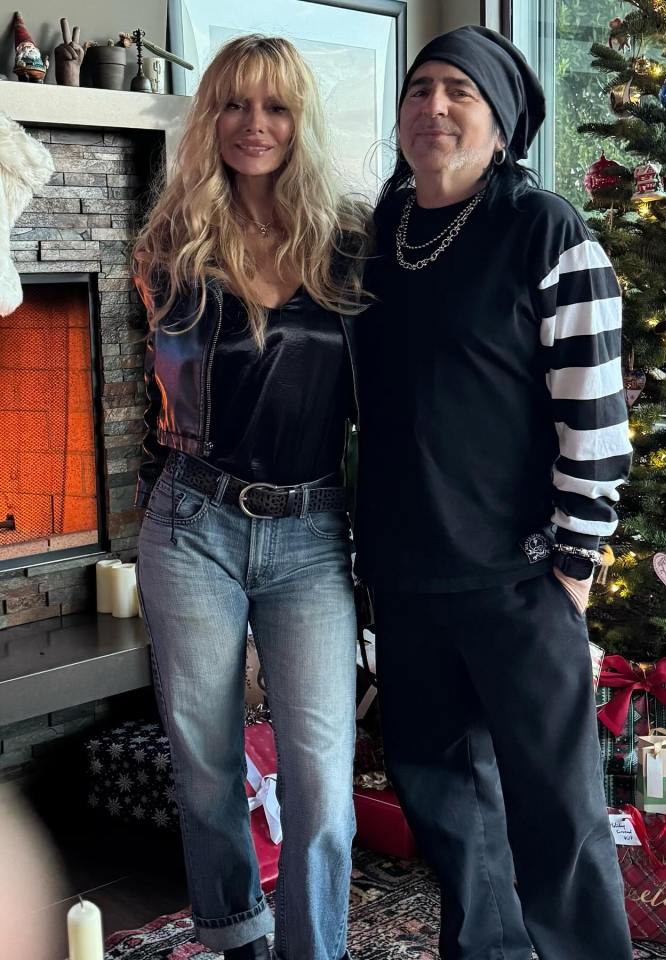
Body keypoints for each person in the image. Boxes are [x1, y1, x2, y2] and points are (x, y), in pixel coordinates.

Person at [354, 25, 633, 960]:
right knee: (446, 810)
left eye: (459, 92)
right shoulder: (377, 238)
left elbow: (593, 413)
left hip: (520, 579)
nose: (433, 106)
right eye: (419, 88)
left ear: (501, 122)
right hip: (407, 577)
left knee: (558, 815)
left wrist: (576, 565)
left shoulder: (545, 228)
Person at [132, 34, 366, 960]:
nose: (253, 125)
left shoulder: (347, 242)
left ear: (298, 121)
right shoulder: (172, 241)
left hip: (311, 531)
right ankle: (237, 935)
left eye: (274, 107)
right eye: (233, 104)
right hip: (192, 522)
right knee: (206, 769)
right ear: (211, 118)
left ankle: (318, 949)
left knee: (322, 780)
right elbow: (167, 392)